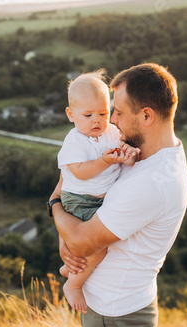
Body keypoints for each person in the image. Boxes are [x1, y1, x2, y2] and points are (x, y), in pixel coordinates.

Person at [48, 63, 187, 327]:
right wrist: (63, 227)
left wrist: (54, 206)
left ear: (146, 116)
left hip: (116, 314)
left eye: (118, 112)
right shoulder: (148, 152)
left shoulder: (151, 182)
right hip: (112, 306)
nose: (111, 120)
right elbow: (71, 178)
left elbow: (79, 242)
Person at [56, 70, 140, 314]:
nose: (97, 121)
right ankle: (73, 284)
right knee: (97, 247)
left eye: (103, 113)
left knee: (103, 240)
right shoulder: (74, 141)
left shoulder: (111, 133)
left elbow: (124, 149)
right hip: (79, 200)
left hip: (100, 201)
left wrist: (128, 155)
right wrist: (105, 162)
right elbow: (80, 172)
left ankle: (70, 267)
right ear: (71, 115)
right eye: (88, 115)